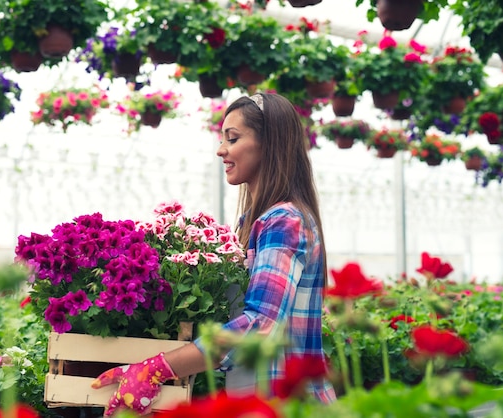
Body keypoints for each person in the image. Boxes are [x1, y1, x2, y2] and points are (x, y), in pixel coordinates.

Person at [91, 92, 336, 415]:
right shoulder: (254, 221)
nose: (221, 150)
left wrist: (158, 367)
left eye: (232, 138)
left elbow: (260, 323)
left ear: (270, 143)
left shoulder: (284, 220)